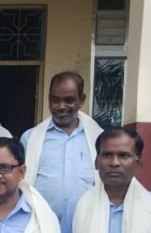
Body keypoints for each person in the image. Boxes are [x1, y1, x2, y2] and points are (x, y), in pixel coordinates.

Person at [20, 72, 103, 219]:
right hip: (41, 222)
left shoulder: (99, 138)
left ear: (81, 100)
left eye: (69, 100)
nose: (61, 106)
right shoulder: (30, 138)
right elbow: (20, 181)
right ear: (48, 100)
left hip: (87, 222)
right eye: (55, 100)